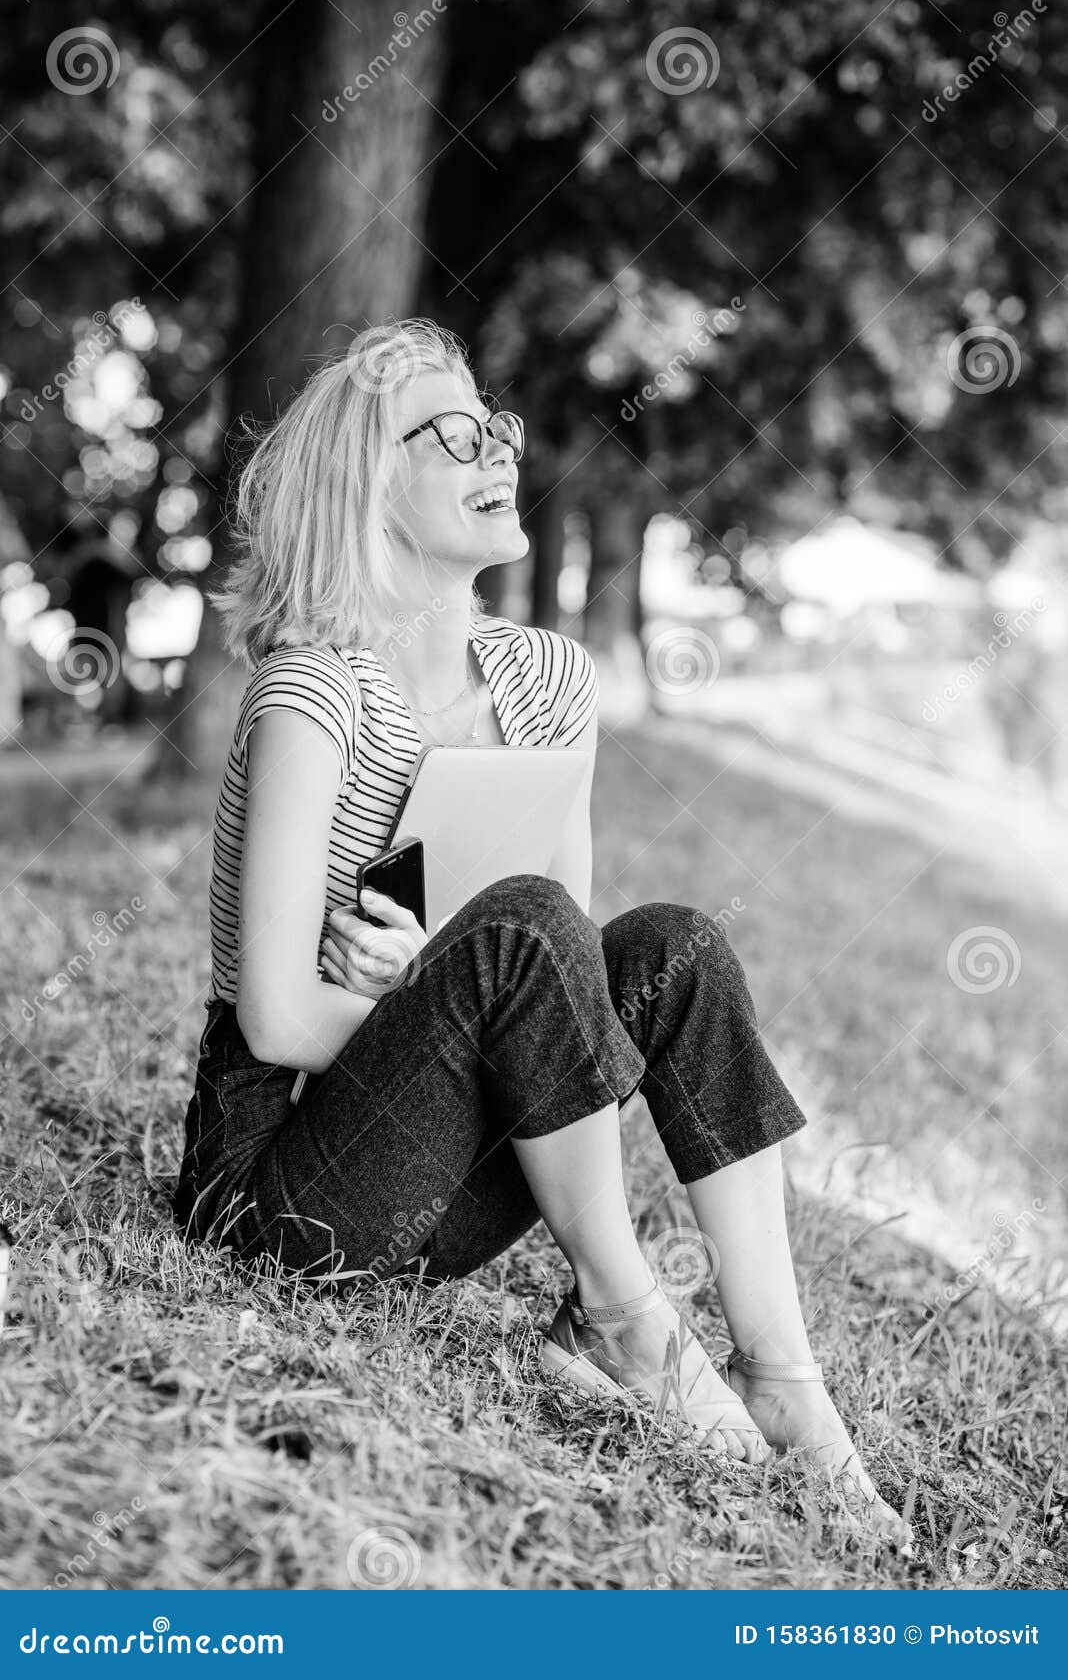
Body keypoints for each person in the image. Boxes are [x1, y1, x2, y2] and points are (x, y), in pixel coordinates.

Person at [172, 319, 909, 1545]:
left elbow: (571, 977)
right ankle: (624, 1314)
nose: (498, 448)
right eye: (453, 435)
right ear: (369, 483)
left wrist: (433, 987)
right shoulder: (312, 691)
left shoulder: (550, 681)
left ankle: (782, 1375)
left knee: (671, 946)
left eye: (496, 426)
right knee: (523, 927)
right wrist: (422, 1001)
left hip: (447, 1184)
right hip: (285, 1187)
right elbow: (279, 1014)